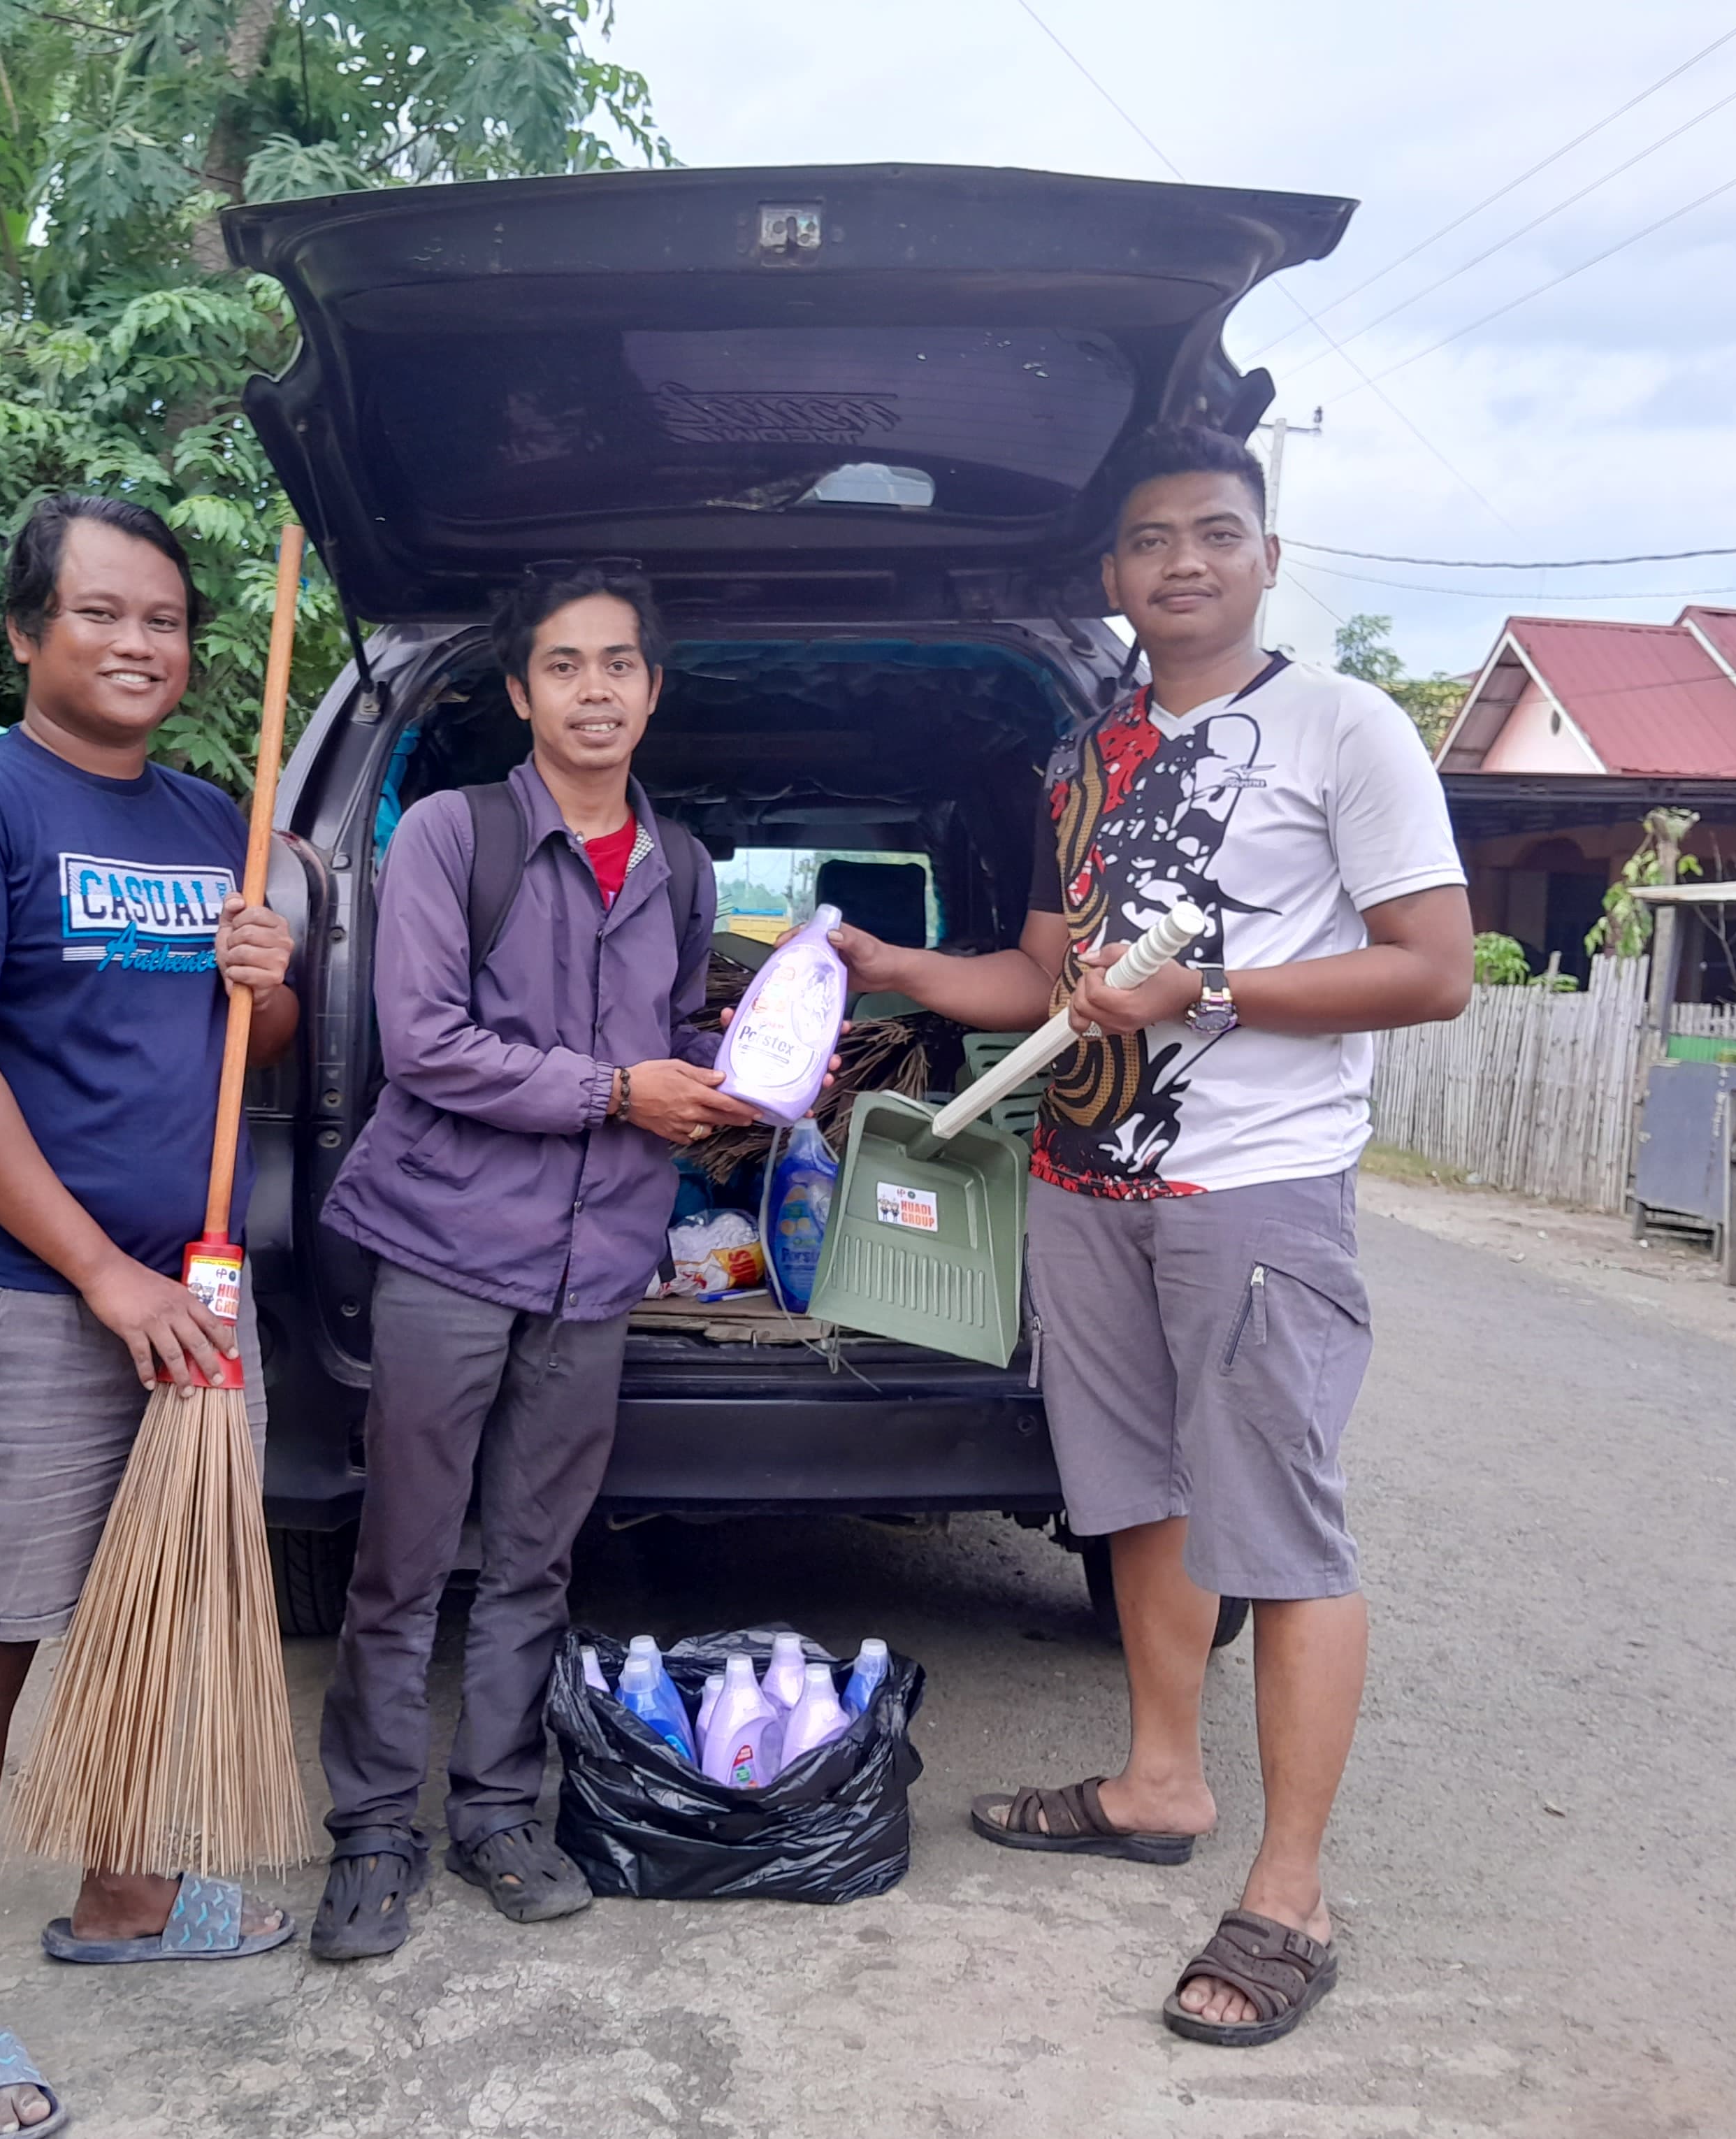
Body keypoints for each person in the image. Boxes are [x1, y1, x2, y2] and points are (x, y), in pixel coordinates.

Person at [827, 424, 1473, 2047]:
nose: (1183, 561)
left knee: (1281, 1529)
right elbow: (1043, 988)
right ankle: (1157, 1780)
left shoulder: (1345, 726)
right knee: (1134, 1501)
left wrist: (1216, 992)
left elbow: (1433, 967)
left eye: (1216, 531)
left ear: (1266, 552)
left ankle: (1290, 1896)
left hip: (1252, 1186)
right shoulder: (1081, 763)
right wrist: (892, 968)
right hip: (1082, 1182)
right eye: (1149, 540)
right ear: (1110, 577)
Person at [0, 496, 301, 2136]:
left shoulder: (215, 821)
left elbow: (225, 1063)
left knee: (161, 1603)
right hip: (30, 1300)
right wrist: (97, 1276)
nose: (142, 644)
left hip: (195, 1287)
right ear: (26, 633)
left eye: (167, 621)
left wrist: (265, 982)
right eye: (104, 614)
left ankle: (125, 1896)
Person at [308, 564, 755, 1960]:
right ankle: (375, 1829)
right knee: (403, 1556)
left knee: (535, 1561)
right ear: (521, 694)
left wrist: (737, 1073)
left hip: (600, 1264)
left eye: (620, 663)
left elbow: (676, 1026)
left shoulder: (680, 864)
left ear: (653, 688)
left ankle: (498, 1813)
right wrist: (625, 1093)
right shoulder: (453, 836)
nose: (596, 689)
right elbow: (426, 1042)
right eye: (564, 665)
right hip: (449, 1246)